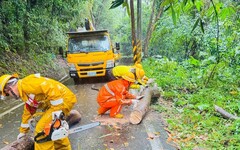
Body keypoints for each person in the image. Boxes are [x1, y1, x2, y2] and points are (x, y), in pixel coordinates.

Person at [0, 73, 77, 150]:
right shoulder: (25, 93)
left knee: (42, 130)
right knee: (54, 128)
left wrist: (57, 110)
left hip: (63, 101)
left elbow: (50, 87)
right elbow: (28, 112)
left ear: (8, 88)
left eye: (7, 94)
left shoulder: (26, 84)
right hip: (59, 103)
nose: (10, 96)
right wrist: (23, 132)